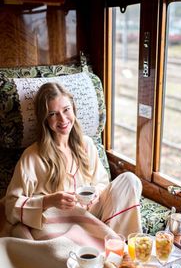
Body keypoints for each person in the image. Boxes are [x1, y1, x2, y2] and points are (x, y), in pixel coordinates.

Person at [4, 82, 143, 240]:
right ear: (45, 120)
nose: (62, 119)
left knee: (130, 180)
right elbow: (10, 206)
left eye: (66, 110)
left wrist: (95, 192)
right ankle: (107, 244)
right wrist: (48, 201)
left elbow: (102, 184)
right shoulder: (32, 157)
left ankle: (119, 246)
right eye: (53, 114)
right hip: (58, 224)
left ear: (74, 109)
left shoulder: (87, 145)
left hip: (91, 214)